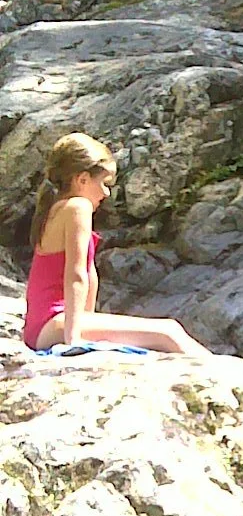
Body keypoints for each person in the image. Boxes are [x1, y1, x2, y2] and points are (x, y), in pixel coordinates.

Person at [22, 133, 209, 356]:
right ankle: (227, 378)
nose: (106, 192)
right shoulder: (77, 207)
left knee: (168, 332)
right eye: (103, 183)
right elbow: (76, 275)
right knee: (168, 331)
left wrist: (87, 325)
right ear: (82, 179)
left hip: (44, 325)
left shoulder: (57, 208)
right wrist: (74, 339)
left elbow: (88, 275)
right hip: (54, 323)